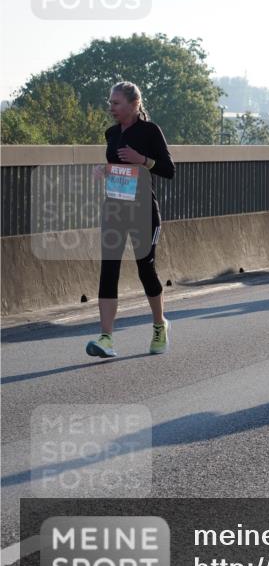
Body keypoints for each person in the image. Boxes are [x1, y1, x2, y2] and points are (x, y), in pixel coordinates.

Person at [86, 81, 175, 358]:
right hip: (114, 210)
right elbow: (119, 168)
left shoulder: (150, 131)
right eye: (110, 102)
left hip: (143, 213)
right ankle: (106, 338)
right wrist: (105, 169)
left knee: (145, 269)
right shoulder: (111, 133)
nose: (110, 107)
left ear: (134, 104)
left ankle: (160, 325)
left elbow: (168, 170)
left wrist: (142, 159)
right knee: (108, 270)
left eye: (116, 103)